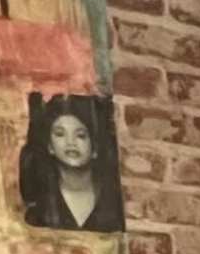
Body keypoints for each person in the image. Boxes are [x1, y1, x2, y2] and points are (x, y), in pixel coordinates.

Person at [18, 92, 124, 232]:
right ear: (50, 146)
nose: (70, 143)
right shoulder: (39, 209)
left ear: (95, 148)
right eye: (60, 134)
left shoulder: (116, 204)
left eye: (80, 135)